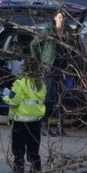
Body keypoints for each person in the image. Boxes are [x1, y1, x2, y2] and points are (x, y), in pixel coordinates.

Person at [2, 58, 47, 173]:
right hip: (35, 123)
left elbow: (13, 100)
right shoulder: (41, 84)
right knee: (34, 154)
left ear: (24, 68)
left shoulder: (20, 83)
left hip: (20, 123)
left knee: (19, 155)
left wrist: (4, 95)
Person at [30, 8, 76, 136]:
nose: (62, 20)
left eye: (64, 18)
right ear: (55, 18)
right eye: (60, 17)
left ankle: (60, 128)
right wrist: (39, 61)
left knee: (60, 99)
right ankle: (44, 127)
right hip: (49, 68)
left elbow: (73, 49)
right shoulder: (48, 31)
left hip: (63, 69)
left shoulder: (68, 32)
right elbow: (33, 44)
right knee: (47, 98)